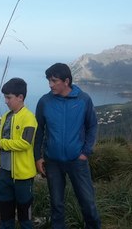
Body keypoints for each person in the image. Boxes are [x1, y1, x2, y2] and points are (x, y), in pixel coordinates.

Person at [34, 63, 101, 229]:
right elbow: (39, 130)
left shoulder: (83, 99)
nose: (50, 84)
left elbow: (92, 126)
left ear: (66, 81)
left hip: (77, 161)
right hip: (53, 162)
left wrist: (85, 152)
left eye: (54, 81)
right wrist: (38, 157)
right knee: (57, 205)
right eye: (49, 80)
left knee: (88, 203)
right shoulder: (44, 101)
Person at [0, 77, 38, 229]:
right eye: (5, 97)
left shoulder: (29, 118)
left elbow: (25, 143)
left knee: (25, 215)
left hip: (22, 175)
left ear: (20, 97)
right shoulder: (7, 116)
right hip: (3, 172)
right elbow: (5, 138)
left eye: (8, 97)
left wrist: (0, 144)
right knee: (5, 213)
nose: (6, 101)